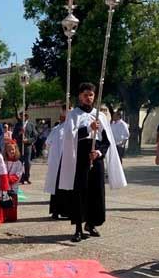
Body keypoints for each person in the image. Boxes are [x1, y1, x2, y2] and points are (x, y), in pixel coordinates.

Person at [59, 83, 126, 243]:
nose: (88, 98)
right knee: (80, 192)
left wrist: (99, 152)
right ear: (80, 96)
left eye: (91, 95)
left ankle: (91, 223)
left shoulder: (100, 116)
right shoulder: (73, 115)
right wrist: (88, 128)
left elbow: (107, 140)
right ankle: (78, 228)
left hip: (95, 157)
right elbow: (69, 137)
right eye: (85, 95)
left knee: (96, 192)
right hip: (80, 157)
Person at [44, 105, 70, 219]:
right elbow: (48, 142)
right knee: (57, 187)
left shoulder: (70, 127)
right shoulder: (57, 129)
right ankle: (56, 211)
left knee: (66, 188)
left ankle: (65, 211)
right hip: (57, 162)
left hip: (66, 162)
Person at [12, 111, 37, 184]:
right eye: (21, 115)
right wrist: (19, 133)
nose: (22, 117)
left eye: (24, 115)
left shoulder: (31, 125)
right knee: (20, 162)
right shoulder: (17, 125)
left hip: (27, 147)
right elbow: (13, 136)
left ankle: (27, 177)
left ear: (27, 116)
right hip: (19, 146)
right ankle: (21, 177)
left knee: (27, 162)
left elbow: (35, 136)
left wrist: (28, 140)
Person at [3, 140, 24, 223]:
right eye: (9, 150)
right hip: (4, 187)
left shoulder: (18, 163)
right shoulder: (4, 162)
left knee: (13, 204)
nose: (11, 151)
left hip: (13, 187)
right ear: (6, 151)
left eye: (13, 149)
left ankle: (12, 217)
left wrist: (8, 179)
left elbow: (18, 175)